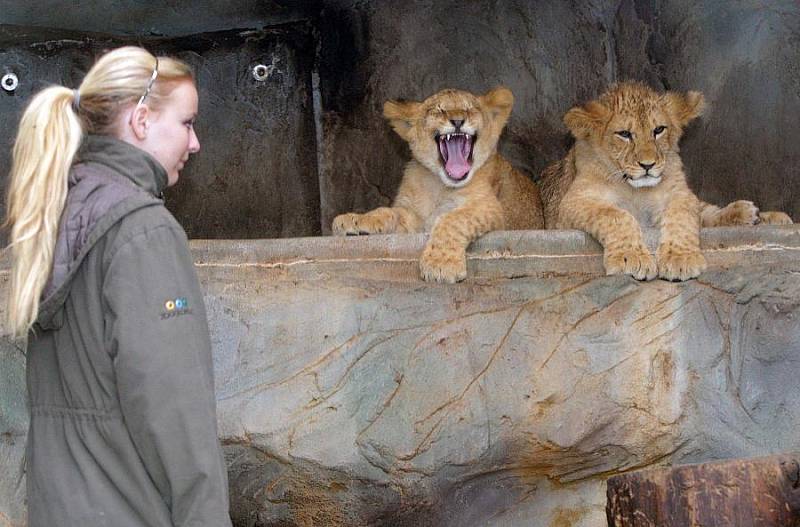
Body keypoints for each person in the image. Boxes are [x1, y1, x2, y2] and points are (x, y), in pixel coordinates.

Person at [4, 46, 232, 526]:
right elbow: (174, 412)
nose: (196, 144)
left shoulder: (55, 216)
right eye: (188, 123)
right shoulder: (144, 230)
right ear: (143, 120)